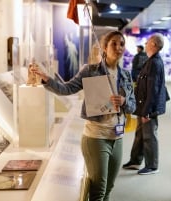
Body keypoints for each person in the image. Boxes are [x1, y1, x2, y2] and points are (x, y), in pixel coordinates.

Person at [32, 31, 136, 201]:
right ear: (104, 47)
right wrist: (47, 80)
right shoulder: (90, 71)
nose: (118, 48)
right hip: (96, 137)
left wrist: (124, 101)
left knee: (109, 187)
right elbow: (67, 89)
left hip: (117, 136)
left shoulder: (125, 75)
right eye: (114, 44)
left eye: (122, 44)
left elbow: (132, 107)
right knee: (98, 190)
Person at [122, 33, 168, 175]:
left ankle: (152, 166)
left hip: (149, 107)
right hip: (144, 106)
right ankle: (135, 160)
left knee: (149, 136)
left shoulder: (154, 63)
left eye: (148, 42)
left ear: (153, 44)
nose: (146, 44)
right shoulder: (151, 61)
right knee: (140, 134)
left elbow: (153, 89)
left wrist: (147, 111)